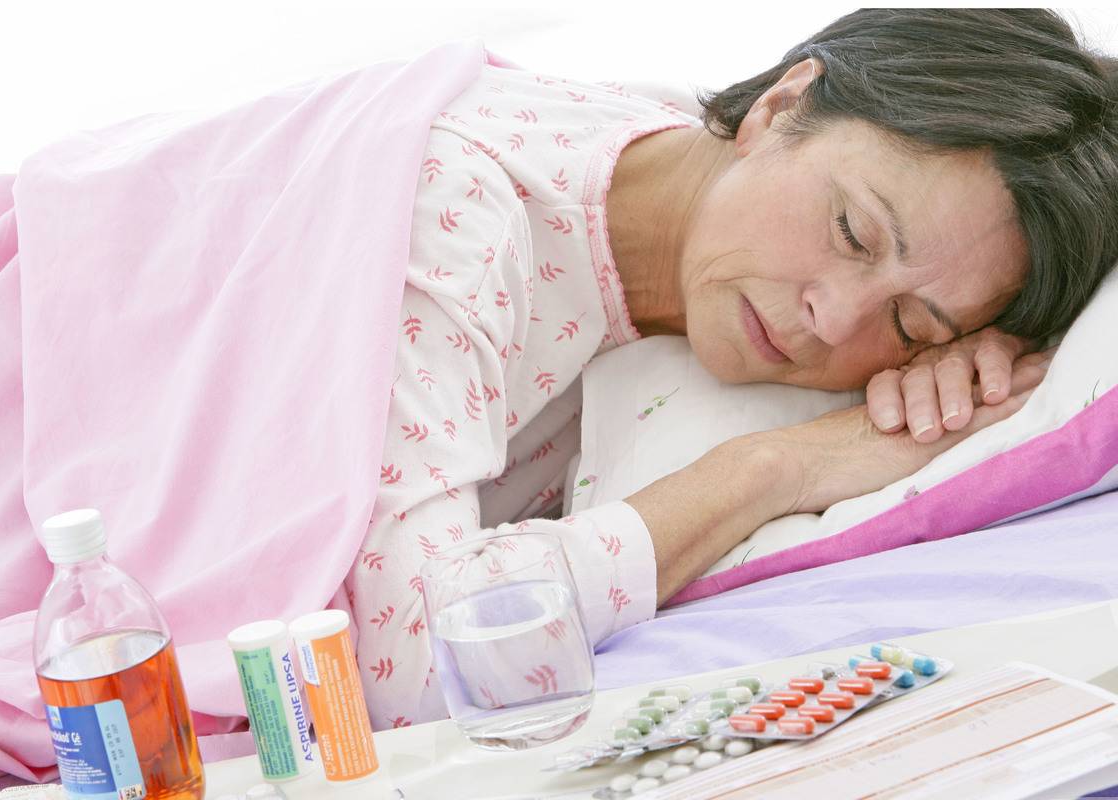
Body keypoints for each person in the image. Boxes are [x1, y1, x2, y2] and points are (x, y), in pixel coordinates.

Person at [343, 8, 1118, 729]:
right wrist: (772, 470)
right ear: (781, 107)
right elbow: (429, 665)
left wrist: (974, 359)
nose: (837, 319)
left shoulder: (679, 224)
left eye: (908, 324)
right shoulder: (461, 218)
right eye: (852, 232)